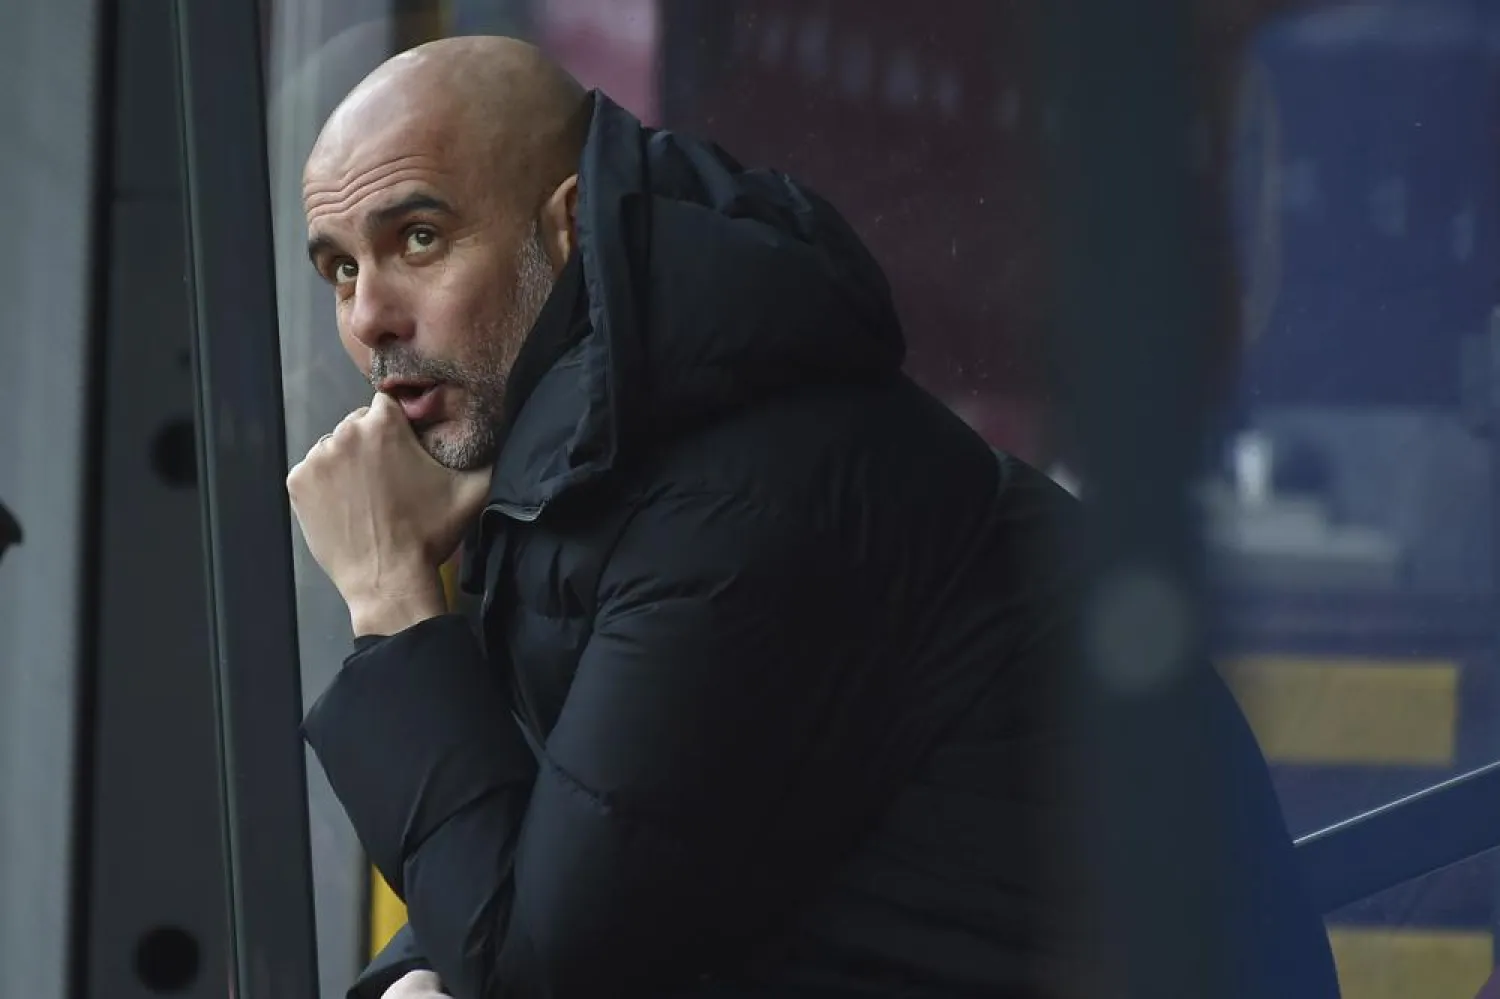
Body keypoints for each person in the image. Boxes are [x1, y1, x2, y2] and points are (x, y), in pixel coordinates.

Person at [287, 36, 1340, 999]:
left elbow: (546, 965)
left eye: (418, 239)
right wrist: (410, 981)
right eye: (340, 268)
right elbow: (563, 838)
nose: (369, 317)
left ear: (567, 230)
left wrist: (391, 598)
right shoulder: (611, 469)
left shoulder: (738, 498)